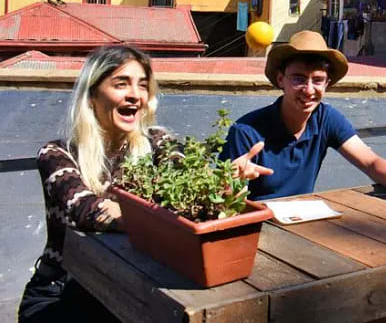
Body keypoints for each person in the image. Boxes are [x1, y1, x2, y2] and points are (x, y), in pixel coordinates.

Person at [19, 44, 268, 323]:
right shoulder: (57, 154)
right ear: (91, 96)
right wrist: (168, 214)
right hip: (63, 291)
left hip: (135, 287)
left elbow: (185, 185)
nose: (135, 95)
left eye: (143, 85)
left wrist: (220, 184)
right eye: (121, 83)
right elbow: (88, 211)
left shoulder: (159, 142)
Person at [220, 30, 386, 199]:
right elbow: (223, 203)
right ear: (281, 80)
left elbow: (370, 162)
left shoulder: (325, 118)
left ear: (327, 84)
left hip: (302, 222)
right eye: (299, 79)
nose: (309, 90)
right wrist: (231, 182)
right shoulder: (245, 132)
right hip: (258, 225)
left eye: (318, 80)